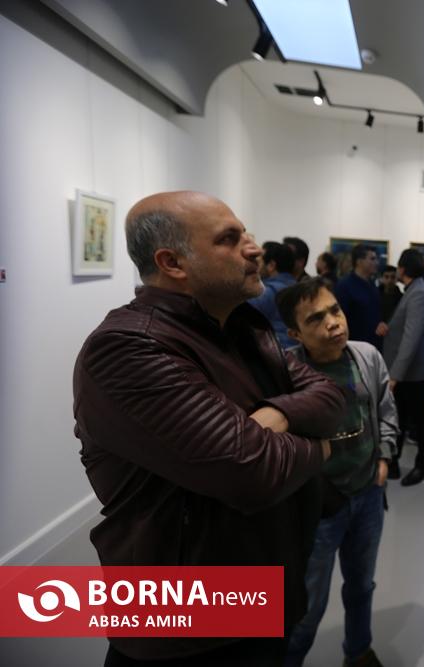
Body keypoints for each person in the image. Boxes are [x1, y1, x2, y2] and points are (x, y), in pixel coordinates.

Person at [72, 191, 347, 665]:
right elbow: (252, 471)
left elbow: (332, 396)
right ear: (172, 262)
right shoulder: (129, 347)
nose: (254, 248)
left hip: (260, 596)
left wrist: (280, 415)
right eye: (229, 239)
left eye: (246, 234)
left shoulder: (241, 331)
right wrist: (320, 449)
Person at [277, 279, 397, 667]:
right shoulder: (287, 371)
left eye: (335, 311)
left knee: (361, 585)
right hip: (318, 508)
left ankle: (358, 651)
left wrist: (384, 459)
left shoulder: (366, 356)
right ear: (295, 333)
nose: (333, 322)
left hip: (367, 494)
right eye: (316, 318)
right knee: (307, 603)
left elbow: (386, 410)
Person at [383, 248, 424, 486]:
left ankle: (423, 466)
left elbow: (411, 339)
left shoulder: (418, 294)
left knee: (419, 418)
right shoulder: (414, 290)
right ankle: (394, 463)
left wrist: (395, 375)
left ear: (403, 269)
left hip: (414, 373)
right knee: (402, 417)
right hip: (409, 372)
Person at [334, 244, 386, 349]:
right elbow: (339, 318)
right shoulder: (345, 286)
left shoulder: (372, 285)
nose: (376, 263)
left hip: (373, 345)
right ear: (359, 261)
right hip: (353, 345)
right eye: (372, 259)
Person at [248, 241, 299, 349]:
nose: (256, 266)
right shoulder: (299, 289)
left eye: (259, 262)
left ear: (271, 265)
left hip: (277, 352)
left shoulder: (266, 293)